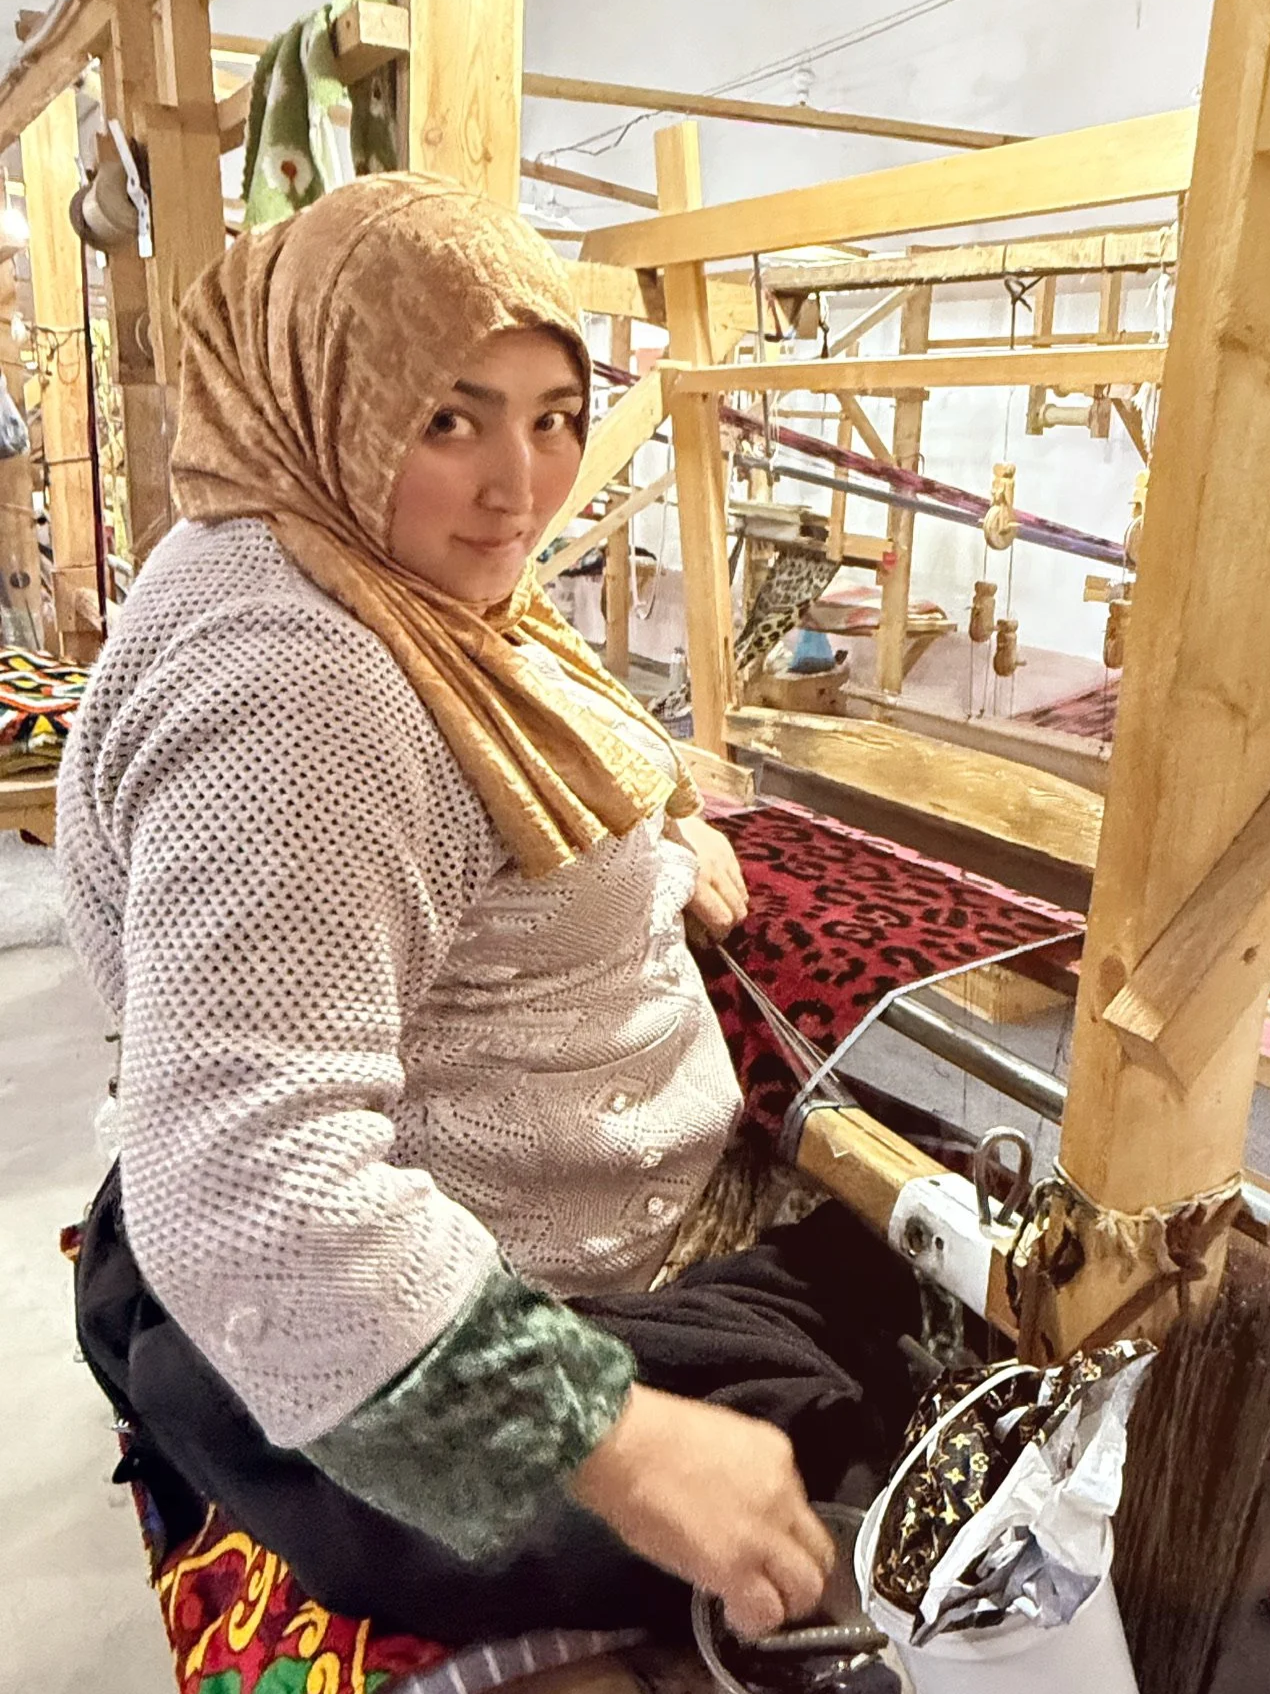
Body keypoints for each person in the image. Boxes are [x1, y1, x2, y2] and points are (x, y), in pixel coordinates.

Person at [60, 173, 919, 1654]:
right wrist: (616, 1438)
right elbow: (251, 1173)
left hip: (485, 1222)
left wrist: (660, 834)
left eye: (554, 415)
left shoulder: (345, 559)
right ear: (326, 397)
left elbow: (517, 736)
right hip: (446, 1304)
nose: (519, 487)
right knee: (898, 1442)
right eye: (448, 419)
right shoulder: (298, 687)